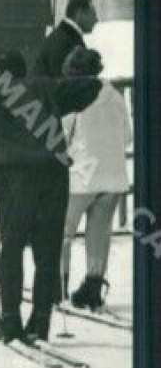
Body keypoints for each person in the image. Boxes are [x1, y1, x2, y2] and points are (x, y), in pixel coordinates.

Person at [0, 50, 101, 343]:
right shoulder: (46, 88)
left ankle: (11, 321)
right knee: (47, 254)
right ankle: (41, 321)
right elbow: (91, 86)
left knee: (11, 249)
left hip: (14, 179)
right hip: (53, 176)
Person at [59, 47, 130, 312]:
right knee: (99, 234)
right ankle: (93, 288)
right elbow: (127, 137)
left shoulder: (73, 98)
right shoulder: (115, 95)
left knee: (63, 233)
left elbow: (61, 138)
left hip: (82, 176)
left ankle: (59, 288)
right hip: (113, 176)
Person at [33, 0, 97, 79]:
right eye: (93, 14)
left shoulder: (61, 35)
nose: (96, 20)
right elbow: (62, 85)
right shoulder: (67, 40)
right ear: (80, 13)